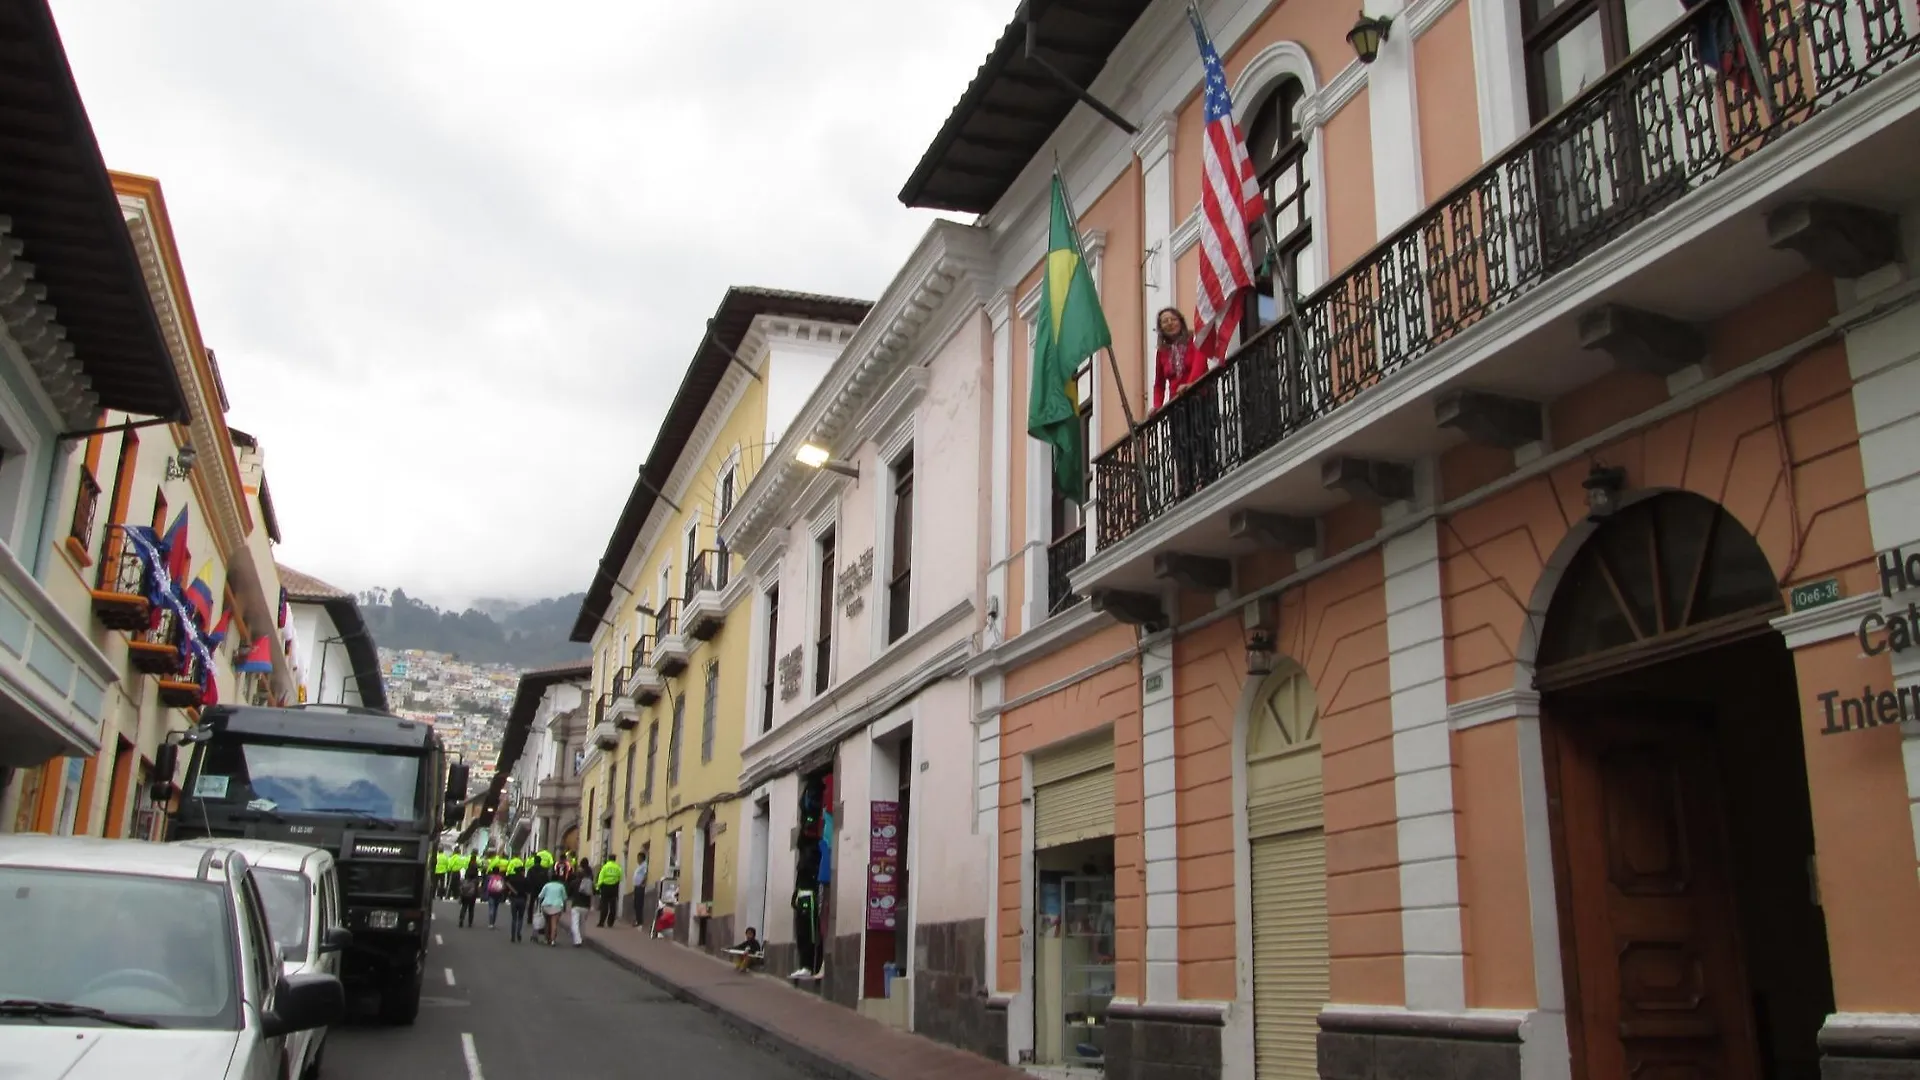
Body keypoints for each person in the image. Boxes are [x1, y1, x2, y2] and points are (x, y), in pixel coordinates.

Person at [537, 874, 568, 947]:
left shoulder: (547, 885)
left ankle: (546, 939)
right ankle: (553, 940)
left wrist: (538, 906)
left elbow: (540, 896)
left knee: (547, 923)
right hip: (557, 906)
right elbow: (564, 898)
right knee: (554, 923)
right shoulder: (561, 886)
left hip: (546, 905)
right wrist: (564, 907)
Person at [568, 861, 594, 946]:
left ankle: (577, 940)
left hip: (576, 905)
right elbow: (594, 892)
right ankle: (582, 938)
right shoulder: (589, 883)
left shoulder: (573, 883)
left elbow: (569, 894)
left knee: (575, 924)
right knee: (582, 924)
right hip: (586, 906)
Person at [595, 854, 623, 928]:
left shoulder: (605, 867)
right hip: (614, 888)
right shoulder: (618, 867)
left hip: (605, 887)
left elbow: (600, 877)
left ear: (608, 859)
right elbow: (621, 878)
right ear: (615, 859)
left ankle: (601, 922)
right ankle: (610, 922)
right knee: (613, 906)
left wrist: (598, 887)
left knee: (604, 905)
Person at [505, 864, 530, 944]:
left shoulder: (512, 878)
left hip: (514, 899)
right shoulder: (525, 880)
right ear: (522, 872)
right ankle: (518, 933)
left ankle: (513, 936)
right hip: (522, 899)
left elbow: (506, 881)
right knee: (520, 918)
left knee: (514, 918)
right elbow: (528, 892)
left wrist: (512, 891)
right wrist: (528, 901)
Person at [629, 850, 649, 928]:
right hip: (637, 887)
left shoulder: (644, 865)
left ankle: (639, 921)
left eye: (638, 858)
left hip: (640, 887)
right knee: (635, 904)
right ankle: (637, 919)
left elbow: (645, 875)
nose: (637, 859)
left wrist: (641, 884)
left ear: (642, 858)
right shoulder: (639, 866)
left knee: (638, 904)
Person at [484, 865, 508, 930]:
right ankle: (493, 923)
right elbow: (503, 886)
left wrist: (485, 894)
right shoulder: (501, 878)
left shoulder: (489, 877)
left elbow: (486, 886)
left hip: (491, 894)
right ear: (498, 871)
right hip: (498, 894)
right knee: (496, 908)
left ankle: (490, 923)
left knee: (491, 908)